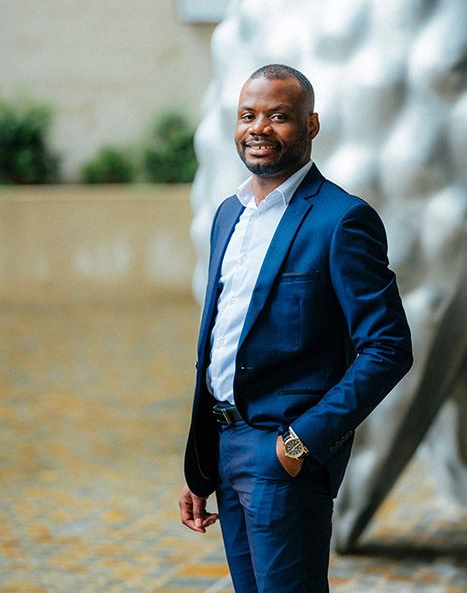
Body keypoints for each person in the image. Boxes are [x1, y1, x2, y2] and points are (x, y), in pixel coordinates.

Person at [178, 64, 413, 592]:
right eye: (248, 115)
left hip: (282, 456)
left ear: (310, 126)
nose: (258, 128)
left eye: (278, 116)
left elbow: (389, 346)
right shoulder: (227, 215)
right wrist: (199, 467)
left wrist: (301, 441)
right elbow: (221, 340)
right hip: (223, 446)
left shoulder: (341, 220)